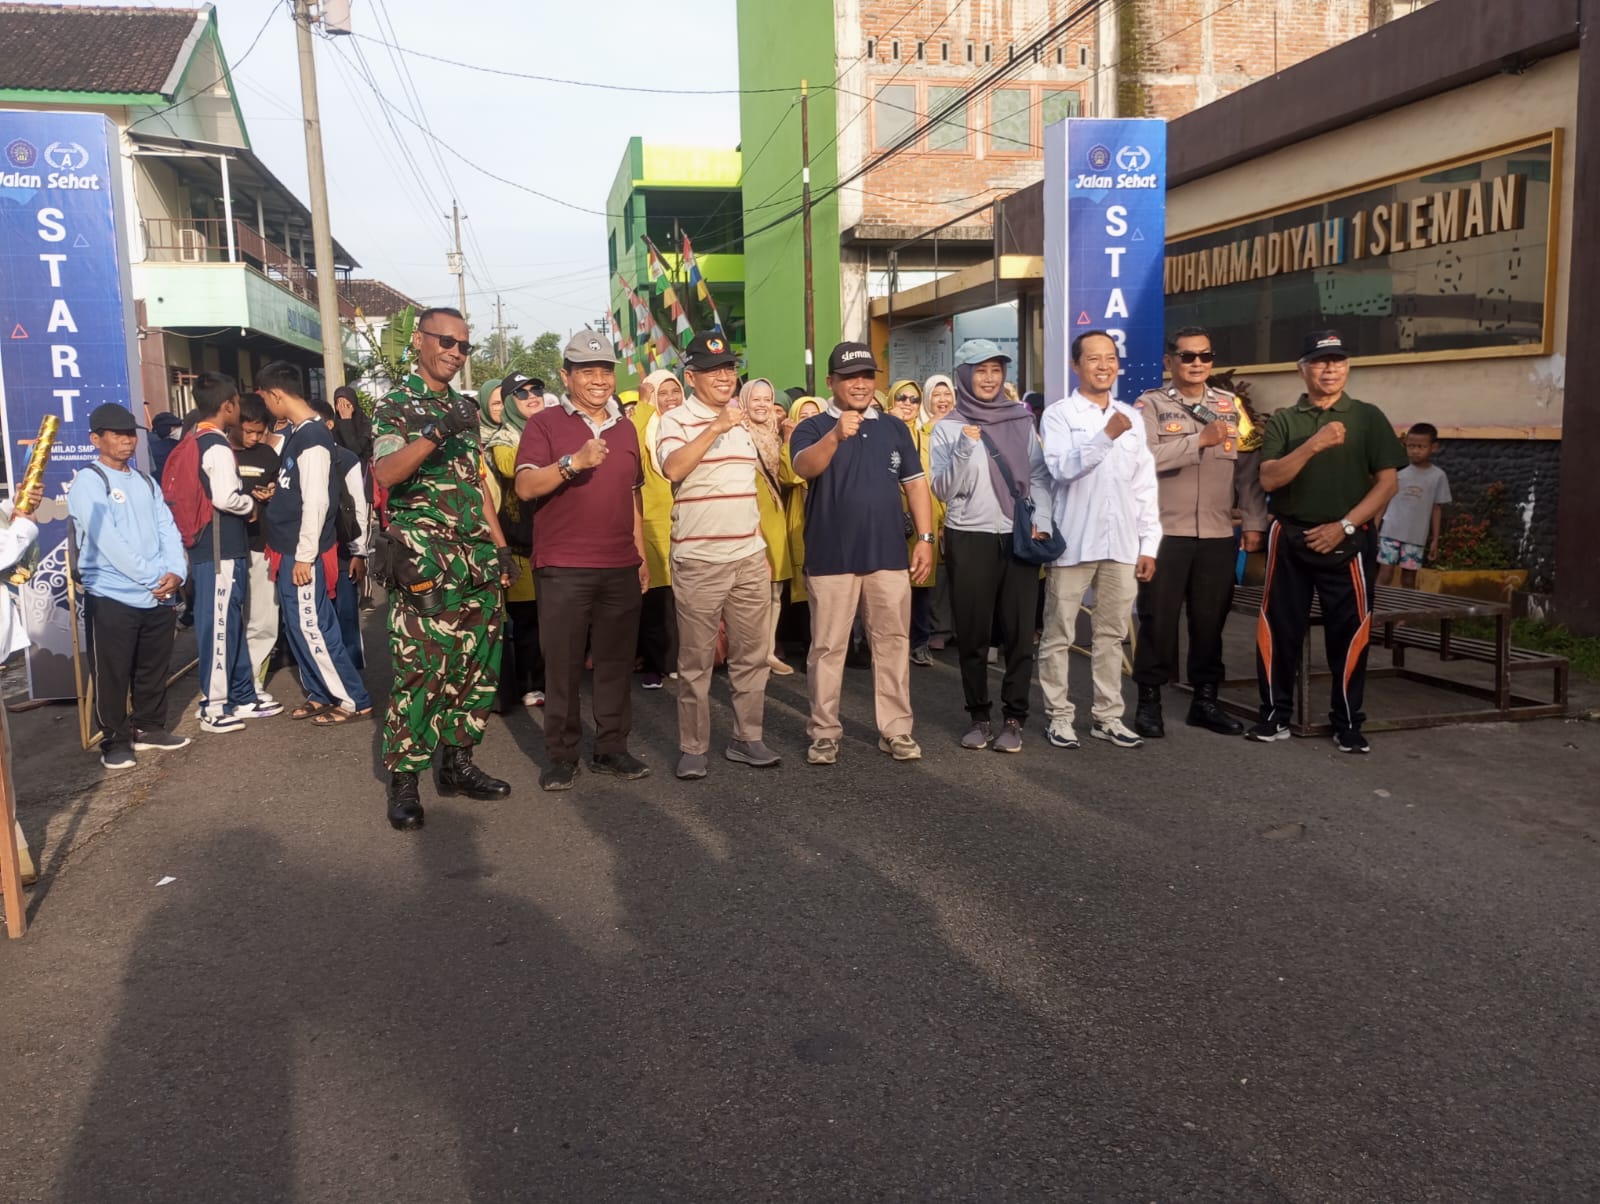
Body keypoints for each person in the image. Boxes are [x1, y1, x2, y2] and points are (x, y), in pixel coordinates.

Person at [370, 309, 512, 830]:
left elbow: (475, 483)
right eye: (446, 342)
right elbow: (386, 473)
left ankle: (458, 763)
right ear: (420, 341)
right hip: (426, 561)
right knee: (421, 671)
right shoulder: (396, 405)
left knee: (475, 667)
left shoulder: (464, 408)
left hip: (475, 561)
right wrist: (434, 431)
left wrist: (500, 548)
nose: (455, 352)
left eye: (464, 346)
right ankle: (405, 780)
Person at [1252, 330, 1407, 752]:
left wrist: (1345, 526)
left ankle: (1347, 721)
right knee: (1279, 628)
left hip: (1348, 540)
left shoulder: (1367, 417)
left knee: (1350, 632)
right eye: (1320, 361)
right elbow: (1269, 479)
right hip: (1292, 535)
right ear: (1302, 369)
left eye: (1338, 361)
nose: (1330, 369)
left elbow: (1388, 484)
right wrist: (1314, 445)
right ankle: (1274, 715)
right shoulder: (1285, 420)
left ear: (1347, 367)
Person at [515, 331, 651, 792]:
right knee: (563, 666)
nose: (598, 380)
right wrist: (573, 462)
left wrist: (641, 554)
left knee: (615, 664)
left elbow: (633, 496)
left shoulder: (625, 427)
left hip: (619, 564)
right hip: (563, 566)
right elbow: (525, 487)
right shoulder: (544, 424)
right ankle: (562, 755)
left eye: (605, 371)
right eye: (587, 371)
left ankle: (612, 748)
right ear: (566, 376)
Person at [789, 342, 934, 766]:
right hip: (831, 557)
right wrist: (836, 435)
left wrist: (925, 538)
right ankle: (824, 732)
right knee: (827, 648)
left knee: (892, 644)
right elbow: (804, 467)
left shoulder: (894, 427)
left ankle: (896, 729)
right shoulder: (813, 426)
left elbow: (915, 484)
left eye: (867, 376)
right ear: (831, 381)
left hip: (888, 555)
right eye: (849, 377)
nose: (860, 384)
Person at [1130, 326, 1269, 739]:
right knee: (1158, 620)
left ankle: (1205, 702)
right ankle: (1149, 702)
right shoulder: (1149, 405)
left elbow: (1248, 469)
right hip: (1164, 533)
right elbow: (1141, 459)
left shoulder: (1230, 405)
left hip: (1216, 533)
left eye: (1204, 356)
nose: (1196, 363)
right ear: (1169, 361)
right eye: (1187, 356)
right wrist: (1198, 441)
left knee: (1210, 622)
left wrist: (1254, 521)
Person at [656, 335, 780, 778]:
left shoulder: (744, 421)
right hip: (699, 559)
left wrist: (761, 548)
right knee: (696, 661)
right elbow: (673, 468)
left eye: (729, 368)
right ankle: (693, 746)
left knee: (752, 655)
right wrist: (715, 427)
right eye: (713, 370)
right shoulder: (674, 419)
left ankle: (748, 737)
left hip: (748, 556)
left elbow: (747, 490)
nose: (725, 377)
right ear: (691, 377)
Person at [1037, 331, 1161, 751]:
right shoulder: (1059, 415)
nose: (1104, 365)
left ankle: (1107, 717)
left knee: (1112, 635)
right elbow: (1061, 469)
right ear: (1076, 365)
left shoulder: (1131, 417)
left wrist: (1149, 544)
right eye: (1093, 358)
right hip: (1074, 541)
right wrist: (1105, 435)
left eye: (1110, 358)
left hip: (1121, 545)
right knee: (1059, 633)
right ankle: (1059, 715)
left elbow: (1143, 486)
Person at [930, 340, 1054, 753]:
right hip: (969, 536)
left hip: (1018, 535)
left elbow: (1038, 476)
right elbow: (944, 490)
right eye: (980, 370)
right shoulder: (948, 427)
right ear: (964, 375)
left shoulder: (1021, 419)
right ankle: (979, 716)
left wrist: (1042, 521)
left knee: (1019, 633)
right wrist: (965, 448)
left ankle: (1014, 718)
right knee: (973, 633)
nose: (989, 378)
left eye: (996, 370)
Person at [66, 403, 191, 771]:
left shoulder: (145, 481)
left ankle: (149, 727)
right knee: (113, 672)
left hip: (158, 593)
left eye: (130, 434)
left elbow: (167, 527)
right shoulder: (89, 481)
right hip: (112, 593)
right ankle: (115, 740)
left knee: (153, 667)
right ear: (96, 439)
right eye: (117, 434)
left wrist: (175, 571)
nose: (127, 441)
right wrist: (153, 578)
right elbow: (108, 541)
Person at [256, 362, 375, 733]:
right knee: (297, 626)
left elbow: (318, 502)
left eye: (265, 399)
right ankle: (320, 691)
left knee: (314, 627)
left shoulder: (312, 438)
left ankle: (353, 699)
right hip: (286, 547)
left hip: (302, 552)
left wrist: (305, 556)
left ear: (276, 395)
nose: (266, 406)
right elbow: (299, 489)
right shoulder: (298, 433)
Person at [186, 373, 283, 733]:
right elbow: (226, 497)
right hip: (218, 550)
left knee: (231, 624)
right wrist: (249, 505)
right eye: (238, 404)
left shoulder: (197, 441)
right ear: (227, 405)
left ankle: (242, 694)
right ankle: (213, 705)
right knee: (220, 627)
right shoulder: (215, 445)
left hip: (223, 548)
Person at [484, 372, 545, 710]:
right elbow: (513, 467)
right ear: (510, 403)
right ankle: (530, 683)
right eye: (522, 393)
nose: (532, 396)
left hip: (553, 540)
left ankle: (550, 680)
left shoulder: (552, 429)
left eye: (537, 390)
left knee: (554, 619)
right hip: (519, 546)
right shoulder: (501, 440)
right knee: (526, 621)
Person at [309, 400, 373, 670]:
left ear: (329, 424)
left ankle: (352, 674)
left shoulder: (346, 459)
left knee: (346, 615)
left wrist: (359, 552)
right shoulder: (301, 455)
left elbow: (358, 507)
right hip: (312, 551)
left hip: (344, 550)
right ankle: (326, 674)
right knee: (319, 616)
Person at [739, 377, 796, 676]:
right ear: (744, 401)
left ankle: (769, 651)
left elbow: (788, 476)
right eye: (755, 399)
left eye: (767, 399)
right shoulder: (737, 433)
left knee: (775, 591)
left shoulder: (776, 437)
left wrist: (788, 441)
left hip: (776, 517)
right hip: (749, 516)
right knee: (751, 592)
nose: (762, 405)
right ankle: (751, 653)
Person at [633, 368, 683, 689]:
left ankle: (678, 660)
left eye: (674, 391)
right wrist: (643, 404)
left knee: (684, 600)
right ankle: (654, 664)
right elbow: (631, 443)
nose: (670, 398)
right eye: (661, 393)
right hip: (652, 524)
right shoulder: (646, 427)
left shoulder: (690, 425)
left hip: (688, 521)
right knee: (655, 600)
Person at [232, 392, 282, 692]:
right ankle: (229, 682)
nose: (253, 438)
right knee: (231, 618)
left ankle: (254, 681)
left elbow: (283, 487)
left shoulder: (268, 456)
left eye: (259, 432)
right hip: (228, 549)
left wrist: (274, 492)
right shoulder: (220, 453)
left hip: (262, 546)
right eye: (248, 431)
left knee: (263, 617)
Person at [1377, 422, 1451, 589]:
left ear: (1433, 447)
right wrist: (1376, 527)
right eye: (1411, 446)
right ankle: (1376, 605)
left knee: (1409, 580)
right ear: (1405, 445)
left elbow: (1437, 508)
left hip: (1416, 537)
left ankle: (1406, 607)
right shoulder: (1397, 473)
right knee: (1384, 574)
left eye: (1421, 447)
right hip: (1390, 533)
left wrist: (1435, 540)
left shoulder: (1438, 476)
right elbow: (1383, 500)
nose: (1415, 451)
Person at [919, 374, 958, 652]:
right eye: (936, 395)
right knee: (939, 576)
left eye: (947, 395)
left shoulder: (964, 426)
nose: (942, 400)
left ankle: (962, 627)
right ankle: (941, 628)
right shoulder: (921, 431)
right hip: (934, 509)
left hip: (963, 510)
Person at [332, 385, 373, 463]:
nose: (344, 410)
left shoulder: (364, 424)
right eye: (340, 406)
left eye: (347, 405)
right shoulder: (333, 426)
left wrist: (346, 421)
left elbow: (355, 450)